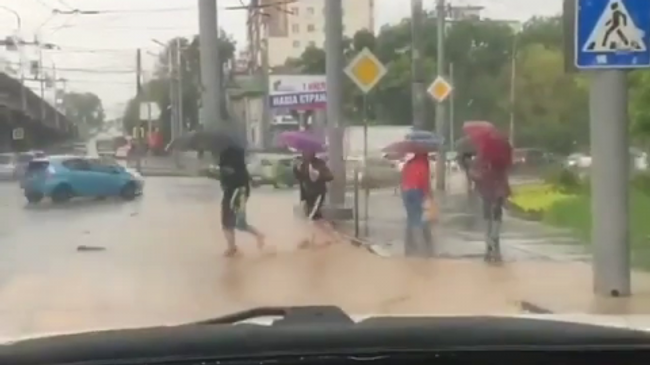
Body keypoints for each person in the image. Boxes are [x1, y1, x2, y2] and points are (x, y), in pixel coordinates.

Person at [219, 146, 265, 257]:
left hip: (234, 196)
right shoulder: (241, 169)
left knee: (229, 224)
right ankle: (233, 247)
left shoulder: (228, 167)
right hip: (238, 195)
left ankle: (232, 248)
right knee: (235, 224)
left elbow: (226, 182)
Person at [468, 152, 511, 262]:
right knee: (489, 220)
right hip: (487, 193)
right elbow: (473, 173)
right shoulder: (482, 159)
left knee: (495, 220)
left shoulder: (498, 161)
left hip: (496, 194)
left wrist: (505, 195)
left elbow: (504, 178)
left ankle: (493, 247)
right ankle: (490, 249)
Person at [293, 151, 335, 248]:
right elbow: (299, 177)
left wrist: (318, 174)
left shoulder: (319, 164)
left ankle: (313, 240)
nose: (306, 154)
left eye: (308, 151)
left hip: (318, 194)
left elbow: (330, 176)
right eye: (304, 151)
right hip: (308, 196)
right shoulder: (302, 164)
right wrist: (296, 169)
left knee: (311, 218)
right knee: (316, 218)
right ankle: (332, 235)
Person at [400, 152, 433, 257]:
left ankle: (409, 249)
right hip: (416, 191)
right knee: (417, 220)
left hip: (406, 192)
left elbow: (403, 179)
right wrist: (428, 195)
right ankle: (421, 251)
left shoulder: (408, 164)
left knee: (411, 218)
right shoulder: (423, 164)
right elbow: (425, 182)